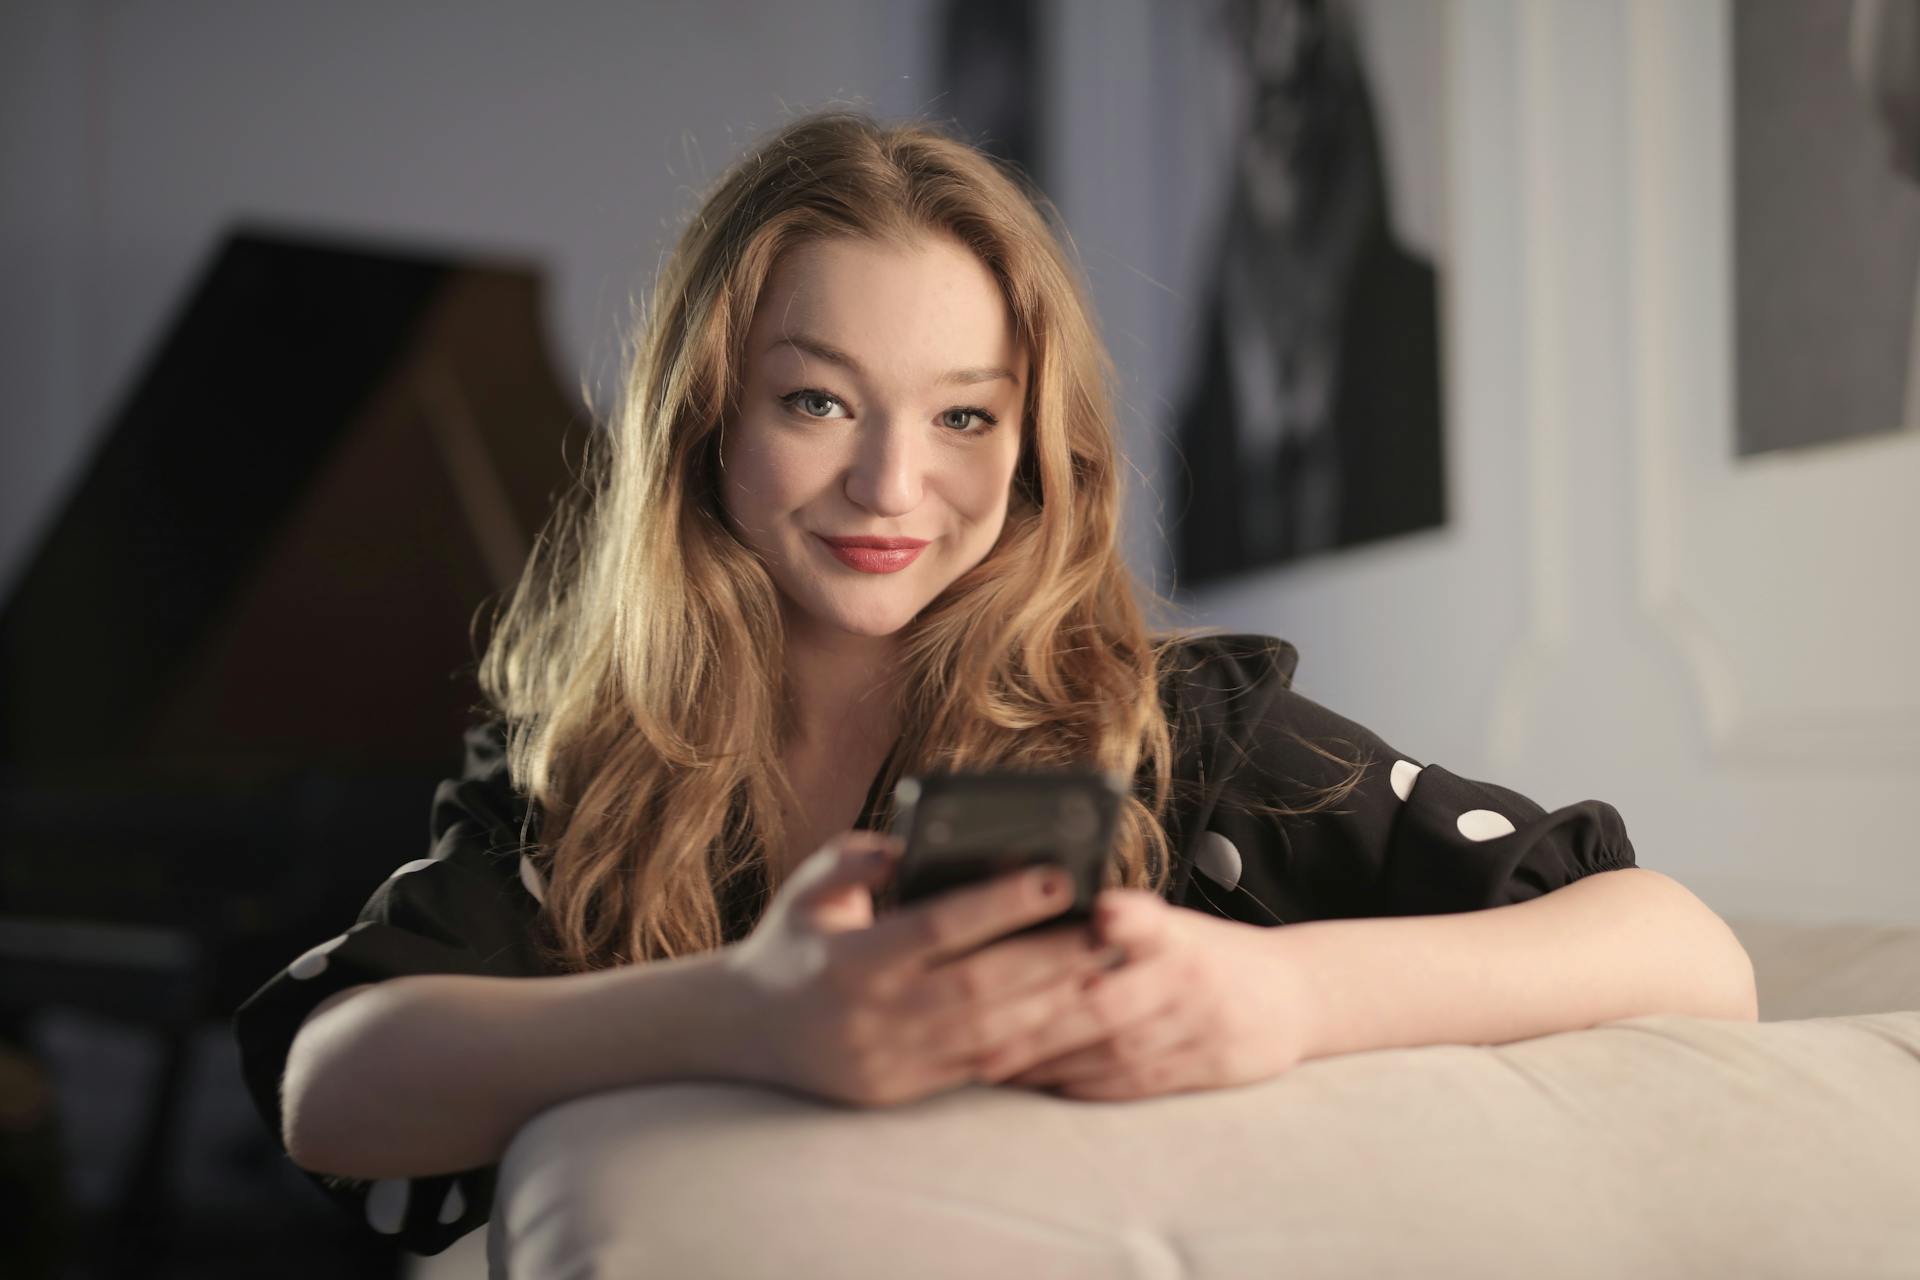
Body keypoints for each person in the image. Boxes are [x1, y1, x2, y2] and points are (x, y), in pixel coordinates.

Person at [233, 110, 1755, 1257]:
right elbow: (336, 1080)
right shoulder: (592, 764)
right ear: (708, 420)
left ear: (1038, 449)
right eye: (817, 399)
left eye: (966, 415)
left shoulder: (1178, 736)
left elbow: (1687, 954)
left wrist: (1279, 996)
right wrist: (744, 1019)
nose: (891, 483)